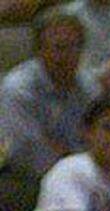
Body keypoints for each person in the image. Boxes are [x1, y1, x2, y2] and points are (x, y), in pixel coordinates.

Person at [0, 7, 97, 178]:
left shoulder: (88, 86)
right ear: (39, 51)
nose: (68, 55)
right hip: (23, 177)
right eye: (59, 48)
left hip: (81, 172)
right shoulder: (18, 89)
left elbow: (97, 139)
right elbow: (26, 152)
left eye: (74, 47)